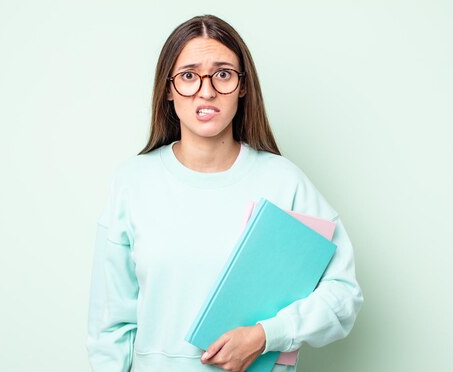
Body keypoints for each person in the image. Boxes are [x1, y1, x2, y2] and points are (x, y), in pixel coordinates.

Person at [87, 14, 363, 372]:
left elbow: (343, 293)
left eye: (223, 74)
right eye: (188, 75)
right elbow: (109, 326)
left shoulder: (284, 182)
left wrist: (266, 335)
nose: (207, 90)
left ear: (243, 86)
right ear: (168, 89)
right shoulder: (133, 182)